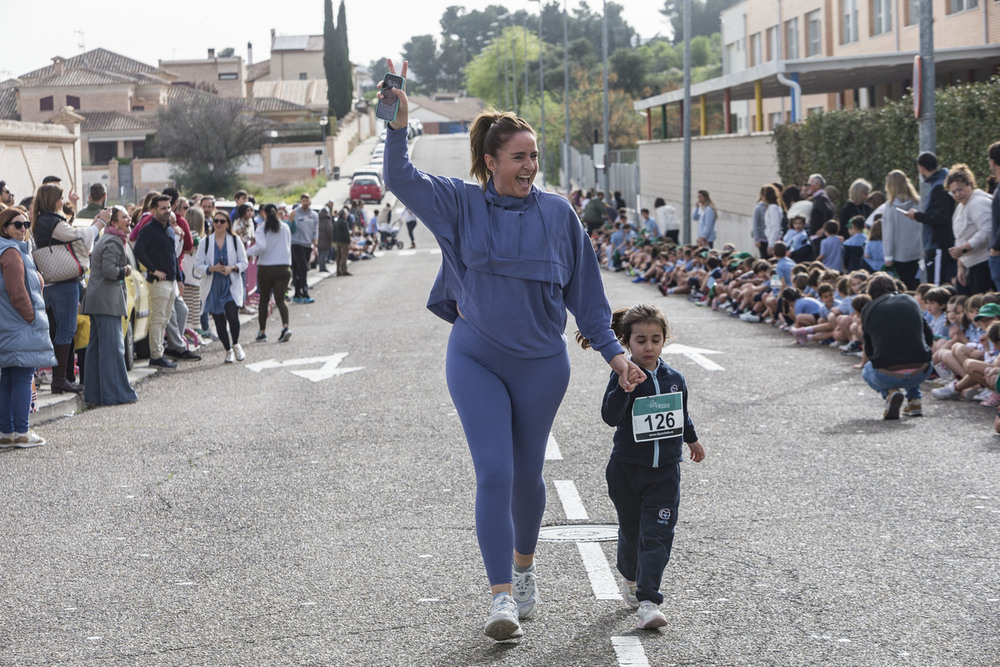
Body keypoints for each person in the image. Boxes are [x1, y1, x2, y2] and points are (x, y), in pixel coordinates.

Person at [379, 59, 647, 642]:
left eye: (534, 155)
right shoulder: (458, 203)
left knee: (528, 474)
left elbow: (587, 294)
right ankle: (500, 596)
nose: (530, 165)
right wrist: (397, 128)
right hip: (474, 355)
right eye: (519, 156)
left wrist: (616, 355)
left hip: (541, 365)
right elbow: (399, 179)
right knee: (494, 471)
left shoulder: (558, 214)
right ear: (491, 162)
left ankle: (524, 572)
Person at [590, 304, 704, 628]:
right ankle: (630, 575)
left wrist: (692, 440)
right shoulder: (622, 374)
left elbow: (681, 413)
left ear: (665, 340)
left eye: (656, 339)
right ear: (626, 342)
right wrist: (624, 390)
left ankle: (649, 600)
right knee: (632, 531)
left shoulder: (675, 378)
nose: (649, 346)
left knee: (657, 533)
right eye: (641, 340)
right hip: (627, 469)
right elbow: (609, 417)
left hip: (666, 471)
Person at [30, 183, 105, 393]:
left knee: (55, 330)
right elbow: (79, 237)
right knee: (66, 330)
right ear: (53, 200)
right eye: (61, 198)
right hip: (64, 283)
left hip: (50, 282)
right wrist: (99, 224)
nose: (63, 202)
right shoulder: (53, 221)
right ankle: (60, 379)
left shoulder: (39, 221)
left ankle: (60, 377)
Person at [0, 207, 56, 448]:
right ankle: (21, 432)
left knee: (10, 379)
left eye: (26, 224)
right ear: (5, 228)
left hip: (12, 325)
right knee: (22, 377)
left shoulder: (13, 250)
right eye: (17, 225)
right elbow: (17, 293)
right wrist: (32, 318)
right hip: (20, 325)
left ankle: (7, 432)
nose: (23, 229)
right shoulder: (11, 252)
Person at [80, 205, 138, 406]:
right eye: (124, 217)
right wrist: (127, 270)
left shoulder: (105, 239)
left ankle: (96, 395)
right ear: (113, 222)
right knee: (112, 349)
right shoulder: (113, 241)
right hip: (107, 302)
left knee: (97, 350)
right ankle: (116, 395)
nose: (129, 219)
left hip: (98, 301)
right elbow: (110, 271)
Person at [860, 272, 933, 419]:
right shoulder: (911, 301)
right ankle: (914, 401)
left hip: (888, 374)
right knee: (910, 351)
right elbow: (929, 336)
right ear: (895, 288)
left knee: (867, 370)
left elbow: (869, 349)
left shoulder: (868, 309)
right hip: (922, 369)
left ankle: (890, 393)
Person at [132, 194, 180, 370]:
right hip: (158, 283)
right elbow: (138, 250)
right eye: (163, 208)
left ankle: (160, 353)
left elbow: (173, 255)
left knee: (165, 319)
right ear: (153, 211)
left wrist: (179, 278)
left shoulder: (168, 229)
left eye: (169, 207)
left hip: (171, 281)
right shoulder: (149, 229)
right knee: (158, 320)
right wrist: (153, 270)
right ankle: (156, 355)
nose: (167, 211)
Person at [196, 211, 248, 363]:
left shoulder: (234, 240)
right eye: (216, 221)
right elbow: (198, 265)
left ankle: (236, 343)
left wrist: (232, 268)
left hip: (230, 284)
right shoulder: (206, 242)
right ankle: (228, 349)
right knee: (219, 321)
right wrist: (212, 268)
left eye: (222, 221)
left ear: (227, 224)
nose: (218, 224)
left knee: (232, 315)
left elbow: (244, 262)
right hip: (213, 286)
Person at [905, 152, 956, 286]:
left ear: (921, 168)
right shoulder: (941, 183)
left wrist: (917, 216)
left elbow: (941, 216)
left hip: (938, 243)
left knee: (936, 286)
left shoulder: (938, 186)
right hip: (940, 243)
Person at [946, 164, 994, 295]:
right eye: (953, 192)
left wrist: (963, 249)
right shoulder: (961, 206)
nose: (957, 194)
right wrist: (961, 265)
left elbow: (987, 232)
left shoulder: (978, 202)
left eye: (959, 189)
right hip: (971, 264)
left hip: (984, 262)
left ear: (970, 184)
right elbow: (959, 237)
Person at [247, 204, 292, 343]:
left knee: (264, 300)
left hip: (266, 267)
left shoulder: (261, 228)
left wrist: (248, 252)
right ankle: (285, 327)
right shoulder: (285, 227)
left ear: (263, 213)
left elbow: (261, 246)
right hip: (284, 267)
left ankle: (262, 332)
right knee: (280, 300)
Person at [881, 170, 922, 290]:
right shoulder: (919, 202)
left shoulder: (890, 207)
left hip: (900, 254)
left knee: (904, 286)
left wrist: (888, 256)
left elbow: (888, 233)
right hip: (918, 251)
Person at [290, 193, 318, 303]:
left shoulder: (314, 215)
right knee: (302, 268)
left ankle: (297, 294)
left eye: (307, 201)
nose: (305, 203)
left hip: (307, 244)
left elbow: (316, 229)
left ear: (310, 201)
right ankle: (304, 293)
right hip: (296, 244)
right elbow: (291, 226)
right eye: (303, 201)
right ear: (300, 201)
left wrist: (315, 244)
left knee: (299, 270)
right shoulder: (295, 213)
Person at [333, 208, 352, 276]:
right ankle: (344, 270)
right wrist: (349, 241)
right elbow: (346, 233)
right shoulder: (344, 222)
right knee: (344, 256)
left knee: (338, 257)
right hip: (344, 242)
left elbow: (334, 232)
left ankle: (338, 271)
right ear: (343, 215)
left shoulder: (336, 222)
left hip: (337, 241)